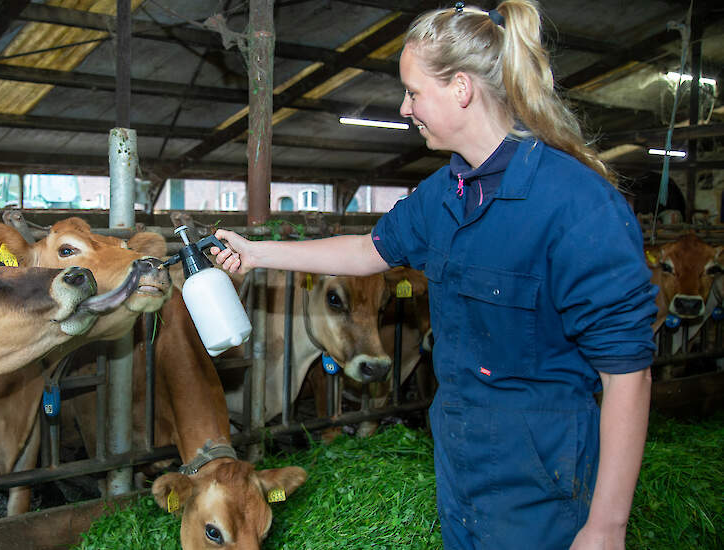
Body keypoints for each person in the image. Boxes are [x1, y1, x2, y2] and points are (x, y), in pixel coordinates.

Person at [209, 2, 655, 549]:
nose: (404, 107)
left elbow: (628, 375)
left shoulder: (578, 206)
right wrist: (257, 253)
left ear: (461, 89)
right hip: (459, 463)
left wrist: (607, 526)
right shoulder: (443, 194)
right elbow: (369, 250)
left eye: (414, 92)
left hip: (543, 480)